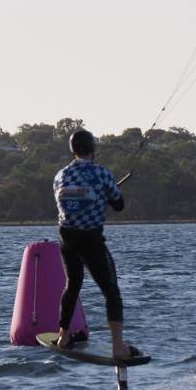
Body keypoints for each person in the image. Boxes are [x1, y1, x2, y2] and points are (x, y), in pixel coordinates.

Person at [53, 128, 139, 360]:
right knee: (111, 291)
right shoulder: (102, 173)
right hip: (90, 239)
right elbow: (118, 205)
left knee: (73, 284)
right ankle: (119, 347)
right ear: (93, 150)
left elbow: (70, 206)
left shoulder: (60, 175)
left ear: (73, 150)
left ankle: (63, 336)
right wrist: (111, 194)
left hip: (66, 238)